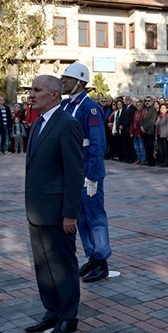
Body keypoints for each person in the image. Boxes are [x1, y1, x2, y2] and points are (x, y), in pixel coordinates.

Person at [22, 75, 85, 333]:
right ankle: (52, 311)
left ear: (54, 95)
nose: (31, 94)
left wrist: (70, 213)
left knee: (63, 266)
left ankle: (68, 319)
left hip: (58, 211)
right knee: (43, 265)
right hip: (37, 210)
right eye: (31, 90)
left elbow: (74, 172)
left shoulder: (67, 124)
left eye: (37, 90)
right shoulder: (38, 124)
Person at [60, 62, 113, 284]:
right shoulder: (65, 106)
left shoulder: (89, 107)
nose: (63, 81)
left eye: (68, 79)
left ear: (80, 82)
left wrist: (92, 175)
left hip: (87, 172)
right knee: (80, 217)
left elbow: (97, 144)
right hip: (72, 172)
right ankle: (91, 254)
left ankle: (102, 261)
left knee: (95, 216)